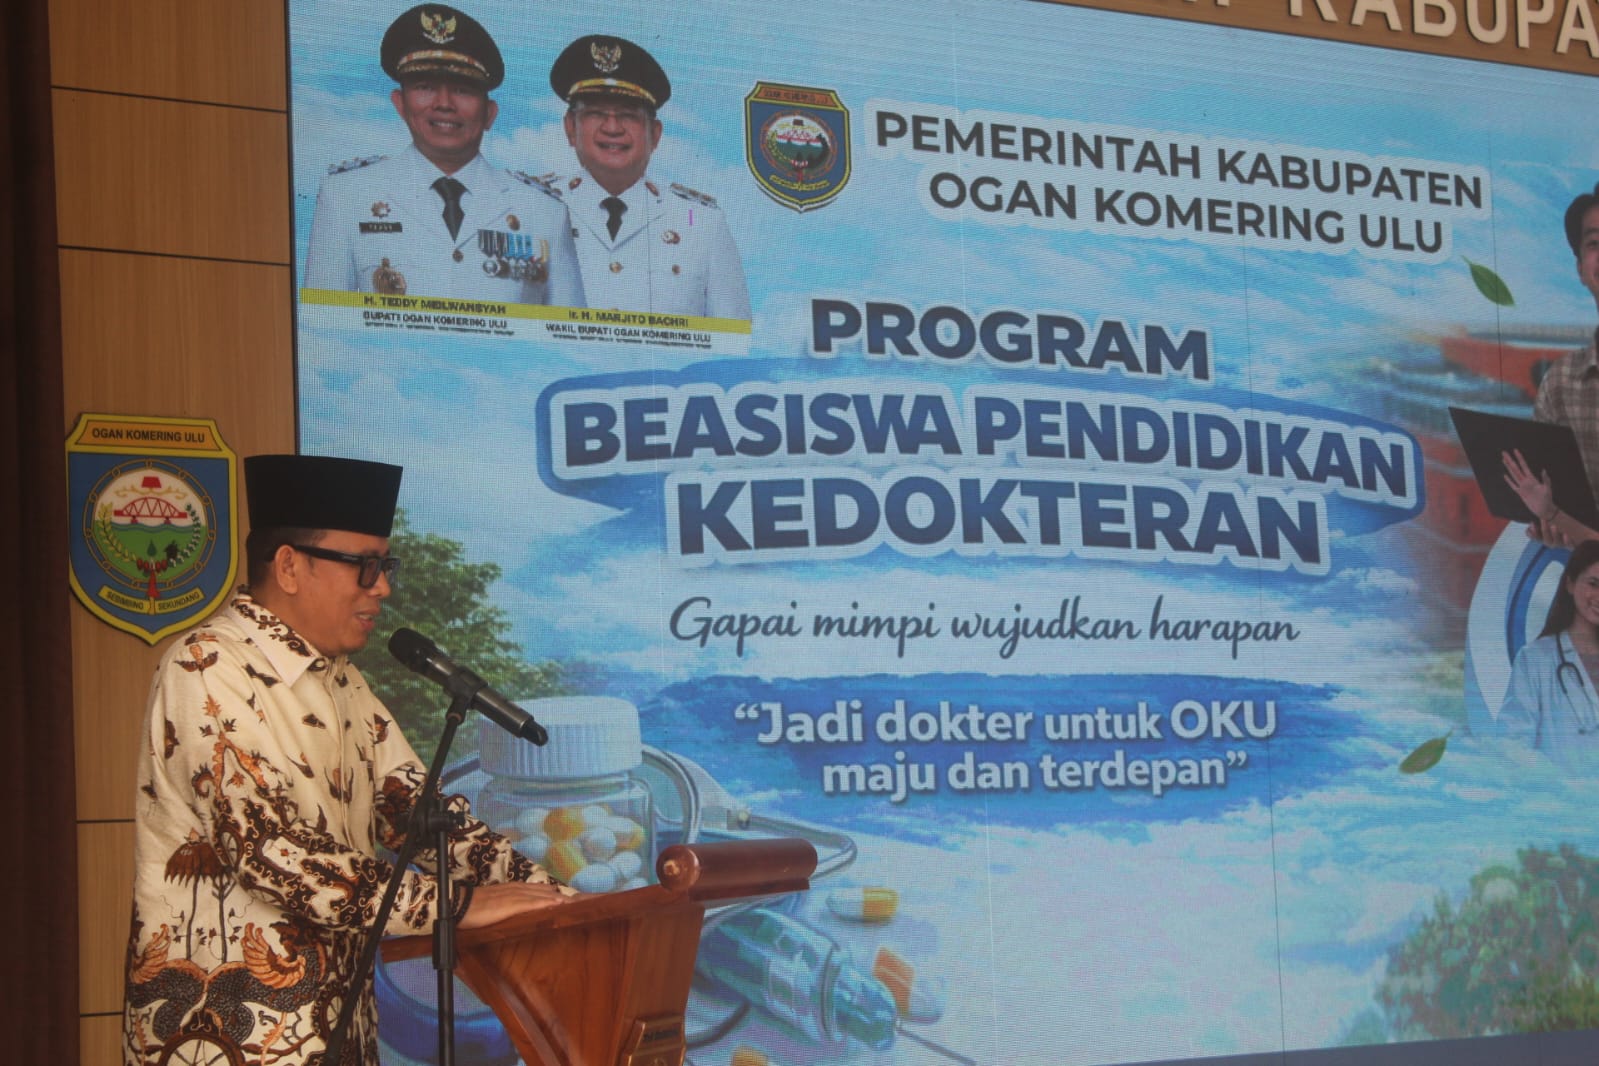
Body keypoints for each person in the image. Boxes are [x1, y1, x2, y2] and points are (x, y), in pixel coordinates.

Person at [122, 454, 571, 1066]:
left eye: (385, 566)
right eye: (365, 566)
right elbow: (271, 850)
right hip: (227, 1038)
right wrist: (452, 906)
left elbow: (426, 821)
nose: (381, 587)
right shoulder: (206, 667)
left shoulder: (342, 682)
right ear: (289, 566)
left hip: (340, 1032)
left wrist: (560, 900)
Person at [303, 5, 584, 306]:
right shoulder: (346, 197)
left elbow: (570, 330)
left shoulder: (544, 212)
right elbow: (321, 322)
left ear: (490, 113)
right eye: (425, 87)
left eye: (462, 90)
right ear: (400, 104)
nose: (444, 104)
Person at [549, 34, 750, 319]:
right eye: (596, 113)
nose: (612, 128)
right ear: (571, 127)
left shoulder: (701, 223)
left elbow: (733, 337)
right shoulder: (535, 207)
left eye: (628, 115)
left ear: (655, 134)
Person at [1503, 181, 1599, 546]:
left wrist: (1559, 519)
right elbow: (1551, 502)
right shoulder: (1560, 382)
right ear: (1581, 269)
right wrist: (1554, 522)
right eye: (1594, 243)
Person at [1497, 539, 1599, 762]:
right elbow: (1512, 744)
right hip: (1555, 784)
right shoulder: (1535, 660)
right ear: (1570, 584)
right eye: (1593, 584)